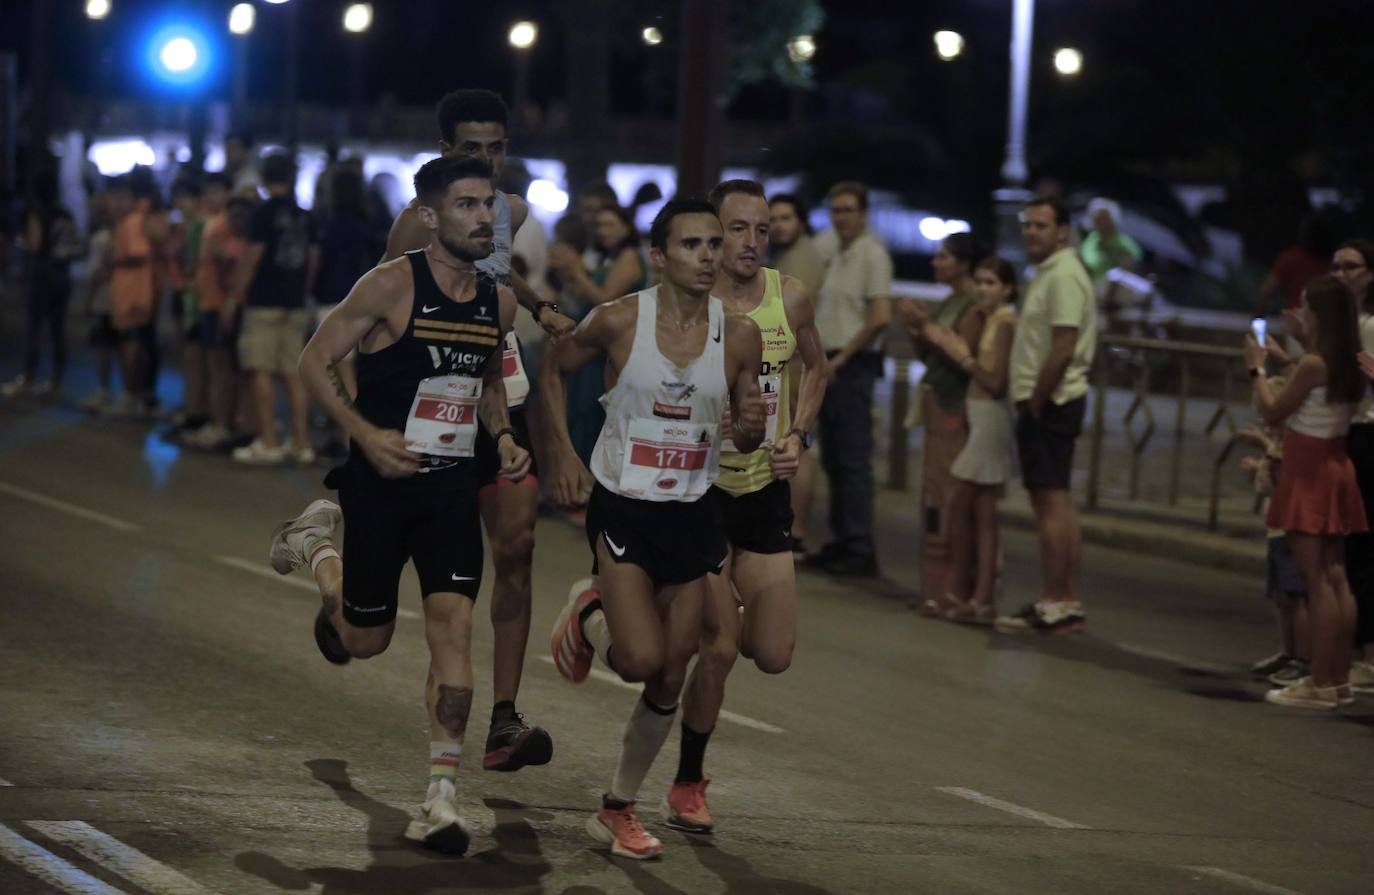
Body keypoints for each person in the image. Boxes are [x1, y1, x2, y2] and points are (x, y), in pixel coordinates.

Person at [268, 156, 533, 854]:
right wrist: (364, 434)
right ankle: (317, 545)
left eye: (490, 207)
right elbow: (313, 360)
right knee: (364, 640)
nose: (484, 218)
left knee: (453, 630)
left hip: (449, 488)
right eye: (468, 205)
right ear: (430, 215)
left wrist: (503, 436)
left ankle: (443, 795)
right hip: (379, 488)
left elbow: (489, 382)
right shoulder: (390, 285)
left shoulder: (496, 302)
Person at [541, 198, 765, 860]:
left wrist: (750, 426)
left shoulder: (740, 335)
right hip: (625, 505)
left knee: (672, 671)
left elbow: (747, 426)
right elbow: (553, 369)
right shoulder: (618, 320)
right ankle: (588, 614)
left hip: (692, 511)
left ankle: (616, 807)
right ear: (660, 256)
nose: (707, 256)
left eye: (713, 244)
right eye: (691, 244)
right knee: (638, 658)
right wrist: (563, 453)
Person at [383, 88, 569, 771]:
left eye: (496, 149)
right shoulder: (411, 227)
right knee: (389, 607)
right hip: (430, 408)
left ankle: (502, 718)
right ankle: (335, 576)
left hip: (501, 395)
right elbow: (383, 308)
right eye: (471, 150)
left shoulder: (511, 212)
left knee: (517, 544)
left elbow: (498, 267)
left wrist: (541, 304)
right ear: (445, 153)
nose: (487, 162)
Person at [666, 180, 826, 835]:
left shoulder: (790, 298)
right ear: (714, 231)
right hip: (699, 493)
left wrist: (797, 434)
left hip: (762, 490)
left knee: (775, 650)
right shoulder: (686, 303)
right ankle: (687, 782)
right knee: (721, 648)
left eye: (762, 230)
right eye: (738, 229)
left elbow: (817, 367)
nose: (751, 242)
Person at [1244, 275, 1365, 709]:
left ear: (1322, 314)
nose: (1300, 312)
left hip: (1309, 466)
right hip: (1336, 461)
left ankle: (1319, 682)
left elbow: (1273, 410)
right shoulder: (1354, 358)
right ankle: (1337, 680)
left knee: (1316, 581)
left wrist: (1257, 367)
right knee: (1337, 577)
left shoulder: (1315, 363)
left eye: (1307, 306)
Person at [996, 196, 1096, 634]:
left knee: (1050, 504)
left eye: (1040, 225)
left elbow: (1064, 344)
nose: (1031, 232)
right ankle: (1064, 597)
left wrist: (1036, 399)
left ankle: (1057, 599)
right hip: (1052, 400)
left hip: (1052, 403)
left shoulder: (1064, 277)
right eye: (1027, 225)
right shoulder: (1051, 274)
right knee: (1056, 501)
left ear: (1063, 231)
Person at [923, 257, 1019, 623]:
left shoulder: (1006, 323)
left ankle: (968, 591)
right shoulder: (991, 319)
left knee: (961, 504)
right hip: (979, 418)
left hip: (990, 422)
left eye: (991, 283)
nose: (982, 289)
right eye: (979, 282)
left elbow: (996, 382)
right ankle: (976, 597)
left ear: (1007, 289)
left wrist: (963, 358)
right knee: (981, 511)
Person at [896, 233, 986, 613]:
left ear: (964, 263)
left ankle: (951, 589)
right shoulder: (951, 300)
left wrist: (926, 327)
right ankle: (933, 588)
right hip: (936, 403)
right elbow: (931, 355)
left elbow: (961, 354)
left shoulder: (973, 305)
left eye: (944, 257)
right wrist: (916, 329)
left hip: (955, 407)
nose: (936, 262)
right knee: (933, 494)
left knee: (948, 499)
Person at [808, 181, 893, 576]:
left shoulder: (871, 255)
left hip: (851, 364)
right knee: (835, 457)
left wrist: (841, 360)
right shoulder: (834, 252)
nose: (841, 218)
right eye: (835, 210)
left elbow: (879, 317)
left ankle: (860, 545)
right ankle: (842, 539)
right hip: (827, 361)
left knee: (854, 457)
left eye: (848, 211)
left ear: (863, 214)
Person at [226, 152, 319, 465]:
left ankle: (268, 440)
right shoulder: (304, 215)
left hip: (263, 300)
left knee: (260, 369)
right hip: (293, 301)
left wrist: (234, 297)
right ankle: (302, 442)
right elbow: (313, 259)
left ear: (265, 179)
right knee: (293, 374)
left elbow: (252, 257)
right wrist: (302, 290)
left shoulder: (263, 214)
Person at [550, 203, 651, 463]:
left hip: (605, 351)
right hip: (588, 347)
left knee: (593, 415)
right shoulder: (611, 258)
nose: (603, 231)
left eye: (610, 224)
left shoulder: (629, 255)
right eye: (598, 226)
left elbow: (604, 299)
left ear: (626, 228)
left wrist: (576, 269)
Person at [767, 193, 824, 557]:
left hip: (796, 360)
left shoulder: (805, 257)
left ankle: (797, 530)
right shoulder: (788, 255)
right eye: (773, 219)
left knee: (797, 443)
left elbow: (792, 313)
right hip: (790, 357)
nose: (778, 225)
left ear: (801, 220)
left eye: (786, 217)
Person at [1329, 240, 1374, 691]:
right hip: (1350, 432)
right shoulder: (1349, 322)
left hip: (1368, 434)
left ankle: (1367, 656)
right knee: (1351, 547)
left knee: (1363, 548)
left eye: (1352, 267)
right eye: (1336, 266)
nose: (1342, 273)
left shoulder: (1370, 324)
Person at [3, 173, 82, 398]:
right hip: (62, 275)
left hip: (42, 276)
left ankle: (29, 377)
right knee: (58, 330)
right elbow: (74, 245)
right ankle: (57, 379)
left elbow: (35, 244)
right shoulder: (66, 214)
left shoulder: (37, 213)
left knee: (34, 329)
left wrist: (21, 242)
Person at [183, 182, 244, 449]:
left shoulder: (224, 223)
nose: (210, 195)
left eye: (215, 190)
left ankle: (222, 424)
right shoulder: (212, 222)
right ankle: (217, 421)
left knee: (222, 367)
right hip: (209, 301)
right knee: (215, 365)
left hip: (219, 304)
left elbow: (233, 258)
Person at [79, 188, 119, 412]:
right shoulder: (109, 236)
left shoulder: (103, 239)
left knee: (104, 346)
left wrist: (89, 299)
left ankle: (104, 390)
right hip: (118, 297)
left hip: (107, 299)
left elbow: (98, 273)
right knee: (117, 346)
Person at [1257, 215, 1335, 317]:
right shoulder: (1333, 263)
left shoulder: (1290, 258)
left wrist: (1258, 316)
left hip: (1295, 319)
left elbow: (1266, 292)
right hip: (1323, 320)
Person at [1079, 197, 1143, 286]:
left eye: (1105, 218)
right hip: (1099, 286)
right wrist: (1114, 260)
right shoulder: (1092, 241)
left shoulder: (1122, 239)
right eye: (1099, 219)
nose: (1103, 223)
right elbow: (1092, 262)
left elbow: (1136, 255)